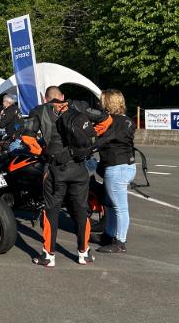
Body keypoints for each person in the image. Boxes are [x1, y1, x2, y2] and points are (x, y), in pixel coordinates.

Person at [22, 86, 110, 267]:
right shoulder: (78, 106)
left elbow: (27, 138)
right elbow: (106, 120)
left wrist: (42, 153)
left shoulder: (39, 110)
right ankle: (84, 253)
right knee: (80, 210)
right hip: (79, 167)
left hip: (55, 168)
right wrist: (87, 141)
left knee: (51, 211)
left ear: (45, 99)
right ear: (63, 96)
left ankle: (48, 256)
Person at [93, 89, 137, 253]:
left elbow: (102, 140)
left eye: (101, 101)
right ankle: (108, 235)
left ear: (107, 103)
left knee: (119, 207)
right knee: (111, 204)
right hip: (126, 165)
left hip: (116, 166)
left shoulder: (111, 122)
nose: (99, 103)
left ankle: (120, 242)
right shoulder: (127, 120)